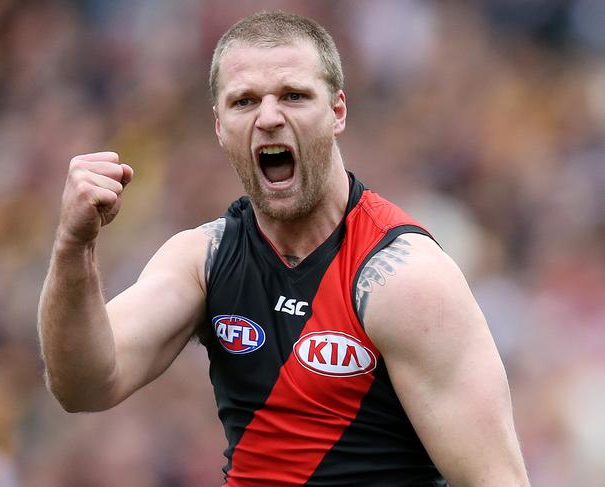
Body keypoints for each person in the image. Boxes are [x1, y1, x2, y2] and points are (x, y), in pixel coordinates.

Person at [38, 11, 530, 487]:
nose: (269, 117)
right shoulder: (202, 259)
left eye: (293, 96)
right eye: (244, 101)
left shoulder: (404, 279)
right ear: (219, 124)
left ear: (337, 111)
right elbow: (84, 384)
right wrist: (72, 245)